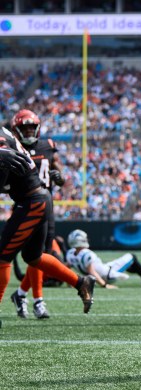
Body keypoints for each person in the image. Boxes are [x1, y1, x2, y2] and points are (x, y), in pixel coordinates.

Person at [0, 125, 95, 320]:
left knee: (2, 257)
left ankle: (34, 299)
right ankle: (81, 282)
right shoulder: (6, 135)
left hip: (31, 202)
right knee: (34, 257)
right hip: (37, 199)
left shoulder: (3, 139)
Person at [8, 109, 68, 318]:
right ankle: (38, 300)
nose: (28, 131)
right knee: (34, 256)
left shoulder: (48, 146)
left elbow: (61, 179)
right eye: (24, 128)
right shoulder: (12, 148)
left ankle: (22, 294)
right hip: (25, 205)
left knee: (41, 256)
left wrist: (58, 176)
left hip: (46, 205)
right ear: (16, 130)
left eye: (31, 127)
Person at [65, 229, 141, 288]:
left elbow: (66, 269)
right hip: (108, 274)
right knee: (132, 257)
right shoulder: (87, 254)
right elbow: (92, 273)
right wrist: (105, 285)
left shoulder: (70, 254)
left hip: (106, 269)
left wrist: (70, 283)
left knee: (128, 263)